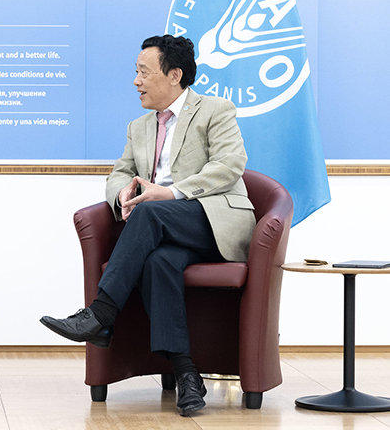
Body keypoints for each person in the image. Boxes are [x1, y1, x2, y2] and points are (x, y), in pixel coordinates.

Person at [40, 34, 255, 416]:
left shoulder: (215, 110)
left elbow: (229, 165)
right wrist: (121, 193)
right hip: (162, 230)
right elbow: (119, 173)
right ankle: (187, 375)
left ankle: (102, 314)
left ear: (174, 75)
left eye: (143, 72)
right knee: (158, 262)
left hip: (211, 221)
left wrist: (170, 194)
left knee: (151, 211)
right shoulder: (139, 127)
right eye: (135, 72)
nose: (136, 81)